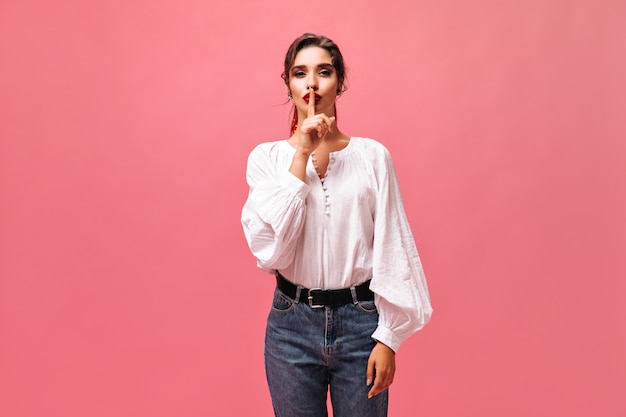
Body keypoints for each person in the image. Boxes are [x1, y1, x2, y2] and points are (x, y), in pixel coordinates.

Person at [241, 33, 433, 417]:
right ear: (289, 83)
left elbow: (394, 245)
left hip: (362, 324)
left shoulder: (373, 157)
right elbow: (271, 253)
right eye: (300, 73)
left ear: (339, 82)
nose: (311, 83)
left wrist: (389, 338)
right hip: (291, 326)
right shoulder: (266, 160)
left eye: (323, 71)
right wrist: (302, 156)